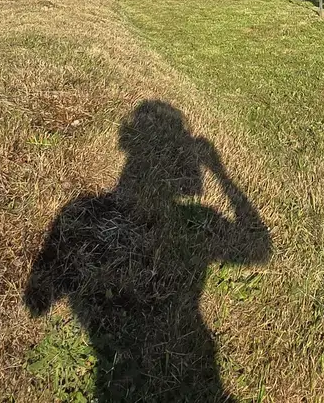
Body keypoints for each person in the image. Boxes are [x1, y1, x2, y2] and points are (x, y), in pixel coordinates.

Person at [24, 100, 270, 401]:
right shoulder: (197, 218)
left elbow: (36, 302)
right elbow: (259, 248)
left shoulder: (80, 209)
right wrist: (220, 173)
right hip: (187, 359)